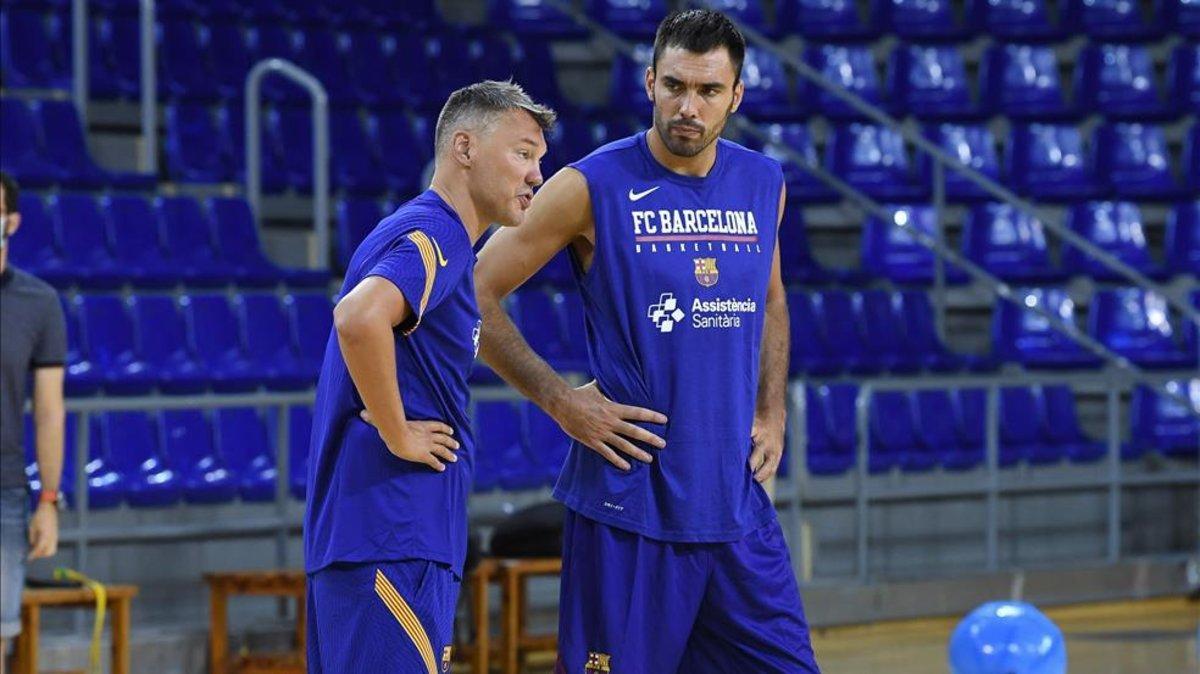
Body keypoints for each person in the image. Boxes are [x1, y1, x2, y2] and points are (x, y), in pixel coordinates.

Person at [474, 10, 822, 673]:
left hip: (733, 501)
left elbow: (772, 299)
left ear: (736, 95)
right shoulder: (589, 185)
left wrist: (771, 410)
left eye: (709, 90)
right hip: (630, 503)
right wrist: (559, 402)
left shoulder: (763, 183)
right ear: (650, 83)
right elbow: (472, 292)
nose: (688, 107)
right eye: (675, 86)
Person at [303, 81, 554, 673]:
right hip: (393, 534)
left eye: (539, 159)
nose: (536, 175)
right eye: (522, 153)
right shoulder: (438, 231)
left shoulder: (436, 239)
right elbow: (358, 317)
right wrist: (398, 433)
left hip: (380, 538)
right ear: (464, 148)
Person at [0, 172, 66, 674]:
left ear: (12, 222)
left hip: (4, 487)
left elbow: (48, 409)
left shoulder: (38, 302)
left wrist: (48, 500)